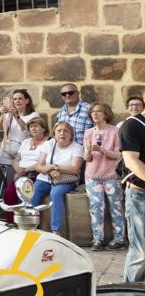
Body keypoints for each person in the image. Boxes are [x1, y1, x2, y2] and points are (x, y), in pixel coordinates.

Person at [84, 103, 125, 251]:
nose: (95, 114)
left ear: (106, 114)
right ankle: (97, 239)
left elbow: (119, 155)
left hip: (111, 175)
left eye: (99, 111)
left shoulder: (115, 131)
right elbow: (87, 158)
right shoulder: (88, 132)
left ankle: (119, 239)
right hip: (92, 175)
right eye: (92, 112)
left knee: (116, 207)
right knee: (95, 208)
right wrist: (88, 152)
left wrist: (102, 150)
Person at [31, 122, 84, 234]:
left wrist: (54, 166)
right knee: (33, 192)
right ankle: (30, 226)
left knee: (56, 193)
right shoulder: (49, 144)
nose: (62, 133)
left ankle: (56, 230)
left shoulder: (77, 147)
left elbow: (75, 169)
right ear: (54, 133)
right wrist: (50, 170)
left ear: (71, 134)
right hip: (45, 178)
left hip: (65, 180)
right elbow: (38, 166)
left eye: (66, 131)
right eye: (59, 131)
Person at [118, 102, 145, 282]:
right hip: (140, 195)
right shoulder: (132, 125)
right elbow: (131, 161)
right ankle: (130, 294)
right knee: (141, 252)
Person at [0, 89, 40, 180]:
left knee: (21, 181)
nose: (17, 101)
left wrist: (15, 115)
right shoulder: (8, 114)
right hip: (6, 152)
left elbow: (26, 129)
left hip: (22, 154)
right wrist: (2, 114)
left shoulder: (34, 115)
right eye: (15, 99)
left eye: (20, 98)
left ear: (27, 101)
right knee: (8, 181)